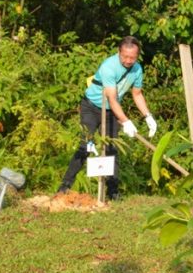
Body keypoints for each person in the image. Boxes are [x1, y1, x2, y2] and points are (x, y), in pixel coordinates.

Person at [57, 36, 157, 199]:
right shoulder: (109, 67)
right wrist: (126, 121)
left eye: (132, 57)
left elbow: (137, 94)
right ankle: (64, 188)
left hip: (111, 112)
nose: (128, 61)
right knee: (86, 145)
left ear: (137, 56)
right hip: (91, 107)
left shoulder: (137, 69)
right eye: (125, 56)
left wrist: (148, 116)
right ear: (119, 52)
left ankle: (113, 192)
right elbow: (111, 98)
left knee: (112, 148)